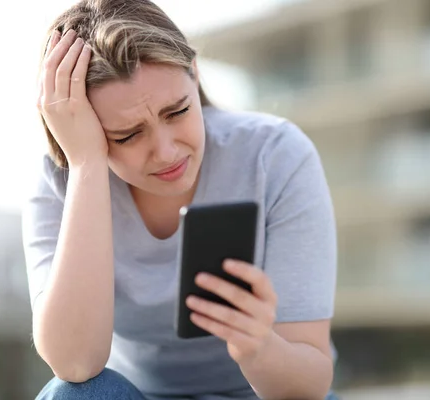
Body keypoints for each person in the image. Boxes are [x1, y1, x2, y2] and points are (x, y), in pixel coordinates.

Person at [22, 0, 338, 399]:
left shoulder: (273, 155)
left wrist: (258, 347)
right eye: (127, 135)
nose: (167, 152)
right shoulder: (62, 179)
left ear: (195, 73)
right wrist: (86, 165)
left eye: (178, 112)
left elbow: (310, 386)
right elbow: (76, 364)